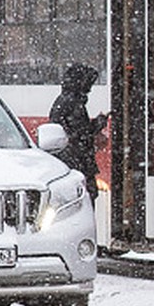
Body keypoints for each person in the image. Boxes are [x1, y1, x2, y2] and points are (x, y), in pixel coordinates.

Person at [48, 62, 106, 202]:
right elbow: (80, 134)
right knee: (85, 200)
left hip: (73, 162)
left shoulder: (64, 101)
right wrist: (97, 125)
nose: (89, 90)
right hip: (77, 163)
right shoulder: (73, 103)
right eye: (88, 85)